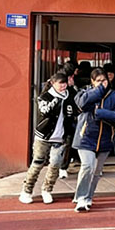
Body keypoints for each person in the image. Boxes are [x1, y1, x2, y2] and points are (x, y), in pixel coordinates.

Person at [19, 72, 78, 205]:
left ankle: (47, 190)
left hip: (60, 138)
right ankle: (27, 190)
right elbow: (45, 111)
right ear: (52, 83)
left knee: (55, 164)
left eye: (65, 83)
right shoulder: (44, 97)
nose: (63, 86)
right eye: (60, 83)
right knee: (37, 163)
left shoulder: (70, 96)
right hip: (44, 136)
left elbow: (75, 111)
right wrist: (56, 101)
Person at [72, 68, 115, 212]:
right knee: (87, 166)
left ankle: (88, 197)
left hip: (105, 139)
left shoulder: (114, 96)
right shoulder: (85, 93)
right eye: (98, 81)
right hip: (85, 138)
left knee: (96, 172)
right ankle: (81, 198)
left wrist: (99, 113)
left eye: (104, 80)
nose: (102, 83)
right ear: (92, 81)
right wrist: (98, 91)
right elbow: (81, 104)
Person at [58, 61, 81, 180]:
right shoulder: (60, 82)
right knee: (64, 142)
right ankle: (60, 166)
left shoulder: (71, 85)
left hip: (70, 117)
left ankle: (63, 166)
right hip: (60, 117)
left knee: (69, 142)